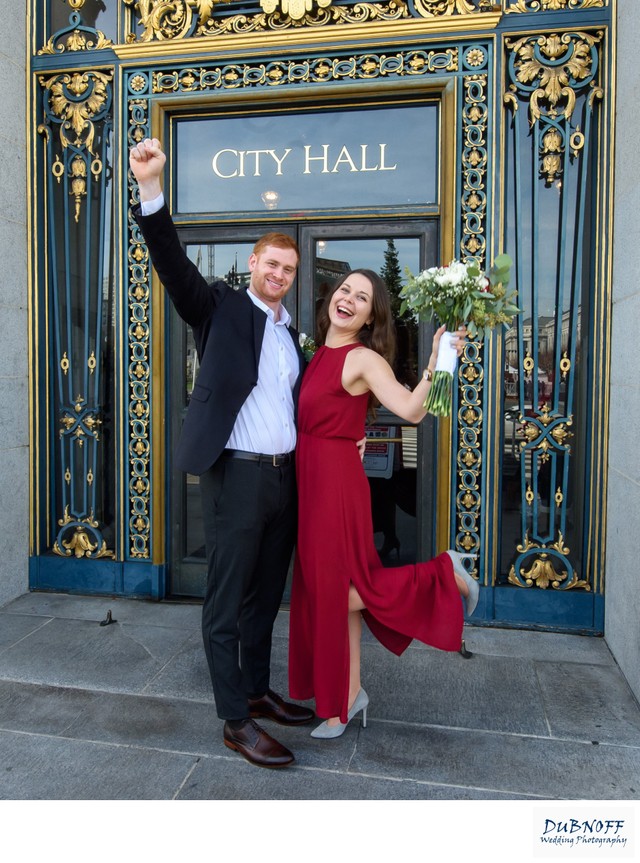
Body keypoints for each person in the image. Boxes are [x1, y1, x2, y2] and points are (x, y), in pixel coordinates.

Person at [129, 138, 315, 769]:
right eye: (271, 264)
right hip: (235, 476)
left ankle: (258, 691)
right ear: (253, 262)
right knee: (227, 600)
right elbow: (173, 265)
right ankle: (235, 721)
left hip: (282, 480)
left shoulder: (291, 333)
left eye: (288, 270)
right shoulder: (221, 308)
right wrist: (151, 189)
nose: (278, 275)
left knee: (267, 596)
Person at [288, 268, 478, 738]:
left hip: (335, 489)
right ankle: (348, 695)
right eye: (345, 290)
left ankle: (443, 577)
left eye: (363, 298)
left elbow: (412, 410)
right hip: (313, 481)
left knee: (335, 593)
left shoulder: (362, 359)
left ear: (372, 317)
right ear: (332, 297)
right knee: (326, 592)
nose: (349, 300)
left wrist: (438, 361)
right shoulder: (318, 353)